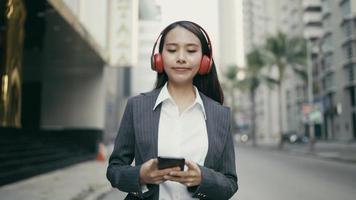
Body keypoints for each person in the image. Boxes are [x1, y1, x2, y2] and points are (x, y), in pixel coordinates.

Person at [107, 20, 238, 200]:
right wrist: (140, 176)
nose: (181, 58)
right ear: (159, 58)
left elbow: (230, 183)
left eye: (191, 51)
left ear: (205, 60)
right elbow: (114, 169)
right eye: (172, 50)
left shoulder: (220, 115)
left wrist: (203, 178)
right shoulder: (137, 107)